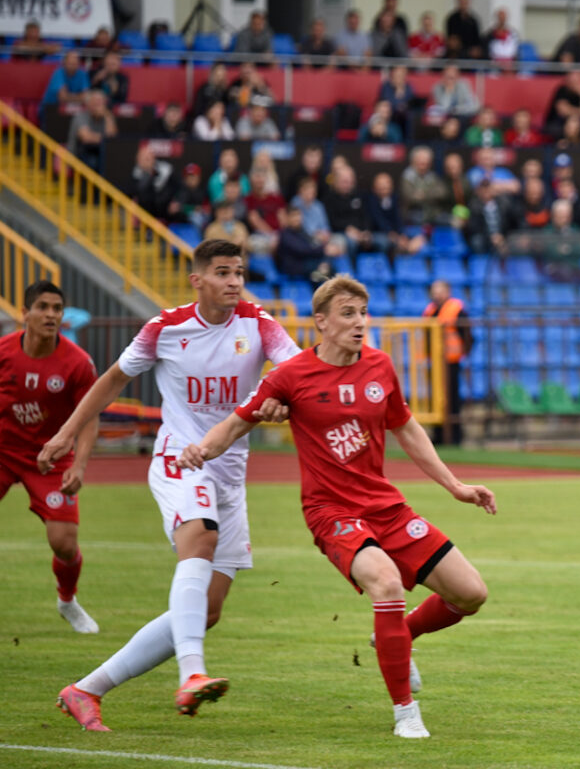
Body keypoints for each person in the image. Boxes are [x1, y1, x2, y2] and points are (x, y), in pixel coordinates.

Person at [178, 276, 496, 739]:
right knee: (386, 583)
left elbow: (407, 429)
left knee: (471, 594)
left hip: (385, 506)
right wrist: (199, 451)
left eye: (363, 313)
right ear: (321, 322)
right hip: (332, 512)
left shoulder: (380, 366)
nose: (359, 322)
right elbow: (233, 425)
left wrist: (455, 486)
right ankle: (406, 713)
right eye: (348, 314)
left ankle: (398, 636)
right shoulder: (290, 376)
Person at [50, 241, 300, 731]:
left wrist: (283, 401)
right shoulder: (165, 328)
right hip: (178, 458)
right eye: (223, 272)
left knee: (207, 610)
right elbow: (112, 380)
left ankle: (85, 690)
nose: (234, 281)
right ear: (197, 280)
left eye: (239, 272)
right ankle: (191, 675)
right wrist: (66, 432)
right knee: (200, 538)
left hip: (230, 471)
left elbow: (295, 373)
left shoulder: (258, 323)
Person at [0, 281, 100, 633]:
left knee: (64, 543)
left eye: (57, 308)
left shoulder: (77, 363)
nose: (51, 315)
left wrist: (79, 465)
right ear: (24, 314)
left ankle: (67, 601)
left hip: (50, 459)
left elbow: (89, 417)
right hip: (3, 451)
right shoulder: (3, 352)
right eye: (42, 307)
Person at [423, 280, 470, 448]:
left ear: (448, 291)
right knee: (436, 399)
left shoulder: (456, 309)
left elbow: (467, 334)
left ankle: (454, 435)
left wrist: (464, 353)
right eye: (434, 291)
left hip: (451, 361)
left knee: (452, 398)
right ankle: (438, 434)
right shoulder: (430, 310)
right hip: (435, 362)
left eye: (440, 291)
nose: (436, 294)